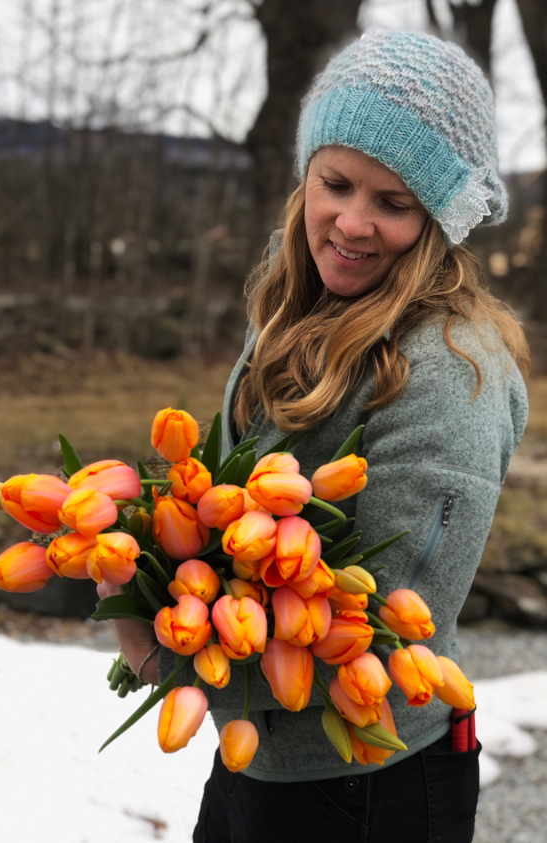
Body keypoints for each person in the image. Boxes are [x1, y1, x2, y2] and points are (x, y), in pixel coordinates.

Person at [99, 30, 529, 843]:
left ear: (438, 217)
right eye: (336, 184)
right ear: (307, 176)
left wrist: (159, 649)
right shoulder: (297, 313)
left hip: (368, 786)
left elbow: (379, 626)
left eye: (393, 203)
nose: (353, 223)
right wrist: (144, 544)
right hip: (257, 755)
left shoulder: (447, 372)